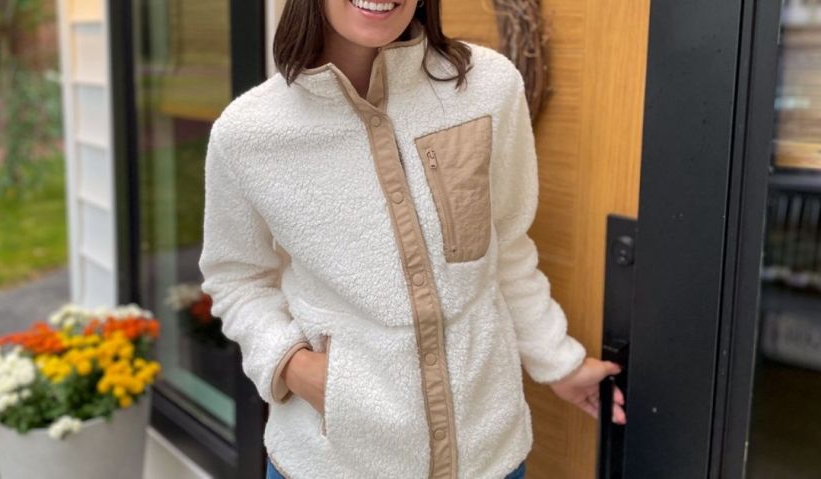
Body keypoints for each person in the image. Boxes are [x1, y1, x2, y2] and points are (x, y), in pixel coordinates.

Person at [198, 0, 627, 478]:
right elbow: (237, 279)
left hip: (489, 458)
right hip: (333, 463)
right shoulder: (247, 134)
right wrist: (292, 366)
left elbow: (506, 247)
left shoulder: (489, 87)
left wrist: (559, 363)